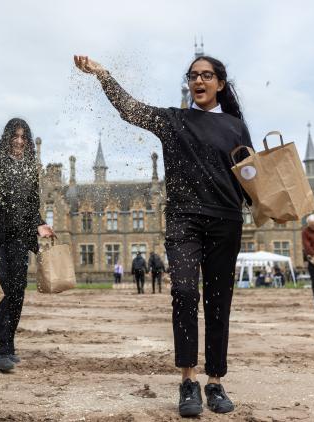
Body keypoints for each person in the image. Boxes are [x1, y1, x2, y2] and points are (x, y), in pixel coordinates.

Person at [74, 53, 252, 416]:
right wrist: (103, 75)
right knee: (185, 292)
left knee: (219, 303)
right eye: (193, 76)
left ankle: (215, 381)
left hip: (226, 220)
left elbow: (250, 177)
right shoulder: (174, 120)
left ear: (220, 83)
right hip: (184, 219)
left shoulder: (235, 126)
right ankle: (188, 381)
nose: (198, 81)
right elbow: (130, 110)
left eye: (206, 75)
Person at [0, 118, 55, 373]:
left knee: (17, 290)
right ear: (7, 138)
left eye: (23, 137)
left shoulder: (29, 168)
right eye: (14, 136)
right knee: (1, 288)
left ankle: (9, 345)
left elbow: (30, 205)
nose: (18, 141)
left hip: (18, 238)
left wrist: (39, 223)